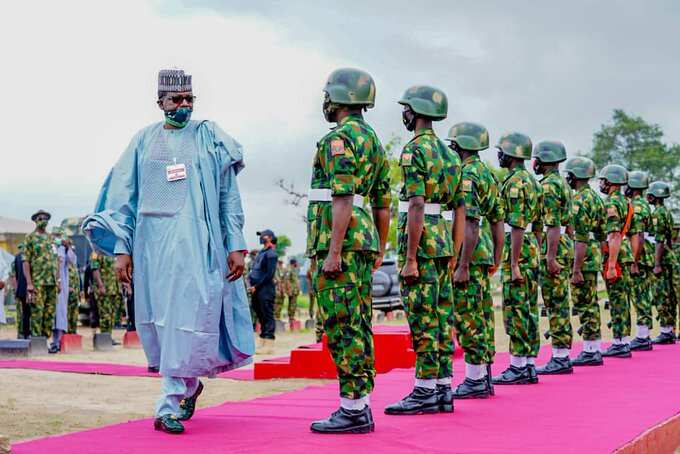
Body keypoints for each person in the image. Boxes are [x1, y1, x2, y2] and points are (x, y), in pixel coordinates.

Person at [83, 68, 253, 435]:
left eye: (189, 99)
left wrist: (236, 242)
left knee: (188, 316)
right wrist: (122, 249)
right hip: (153, 251)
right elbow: (122, 200)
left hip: (199, 247)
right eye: (176, 99)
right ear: (159, 102)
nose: (184, 105)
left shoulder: (209, 138)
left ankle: (169, 405)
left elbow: (228, 196)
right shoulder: (143, 142)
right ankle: (187, 384)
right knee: (165, 324)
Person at [307, 68, 390, 434]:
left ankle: (353, 408)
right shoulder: (374, 140)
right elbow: (383, 203)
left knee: (341, 324)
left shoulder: (338, 140)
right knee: (359, 322)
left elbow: (341, 195)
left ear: (340, 99)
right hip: (364, 241)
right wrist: (379, 248)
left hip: (339, 243)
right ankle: (361, 403)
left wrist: (334, 251)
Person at [385, 86, 463, 416]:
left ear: (415, 112)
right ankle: (444, 389)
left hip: (423, 246)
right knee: (442, 316)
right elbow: (461, 209)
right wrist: (455, 253)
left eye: (406, 108)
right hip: (444, 243)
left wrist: (411, 258)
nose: (403, 114)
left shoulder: (414, 150)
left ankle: (424, 390)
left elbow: (416, 203)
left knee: (422, 318)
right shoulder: (450, 155)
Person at [446, 122, 503, 399]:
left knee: (467, 316)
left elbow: (470, 222)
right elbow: (498, 220)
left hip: (469, 256)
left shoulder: (467, 175)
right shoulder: (489, 175)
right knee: (482, 316)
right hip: (482, 255)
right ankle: (484, 376)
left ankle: (475, 379)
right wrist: (497, 257)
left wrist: (463, 264)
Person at [492, 133, 542, 385]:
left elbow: (517, 225)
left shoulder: (514, 183)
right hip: (531, 249)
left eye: (501, 151)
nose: (498, 155)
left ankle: (519, 365)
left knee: (516, 308)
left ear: (511, 154)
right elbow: (539, 225)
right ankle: (529, 364)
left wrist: (513, 263)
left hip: (519, 249)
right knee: (529, 307)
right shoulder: (533, 181)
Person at [532, 141, 574, 374]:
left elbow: (553, 224)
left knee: (555, 303)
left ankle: (560, 357)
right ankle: (562, 354)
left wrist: (550, 257)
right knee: (559, 302)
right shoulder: (563, 185)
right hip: (563, 246)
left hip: (554, 248)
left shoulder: (548, 186)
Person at [565, 157, 606, 366]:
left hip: (584, 258)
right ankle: (594, 348)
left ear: (575, 176)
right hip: (594, 256)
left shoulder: (580, 201)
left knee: (584, 304)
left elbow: (580, 239)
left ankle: (590, 350)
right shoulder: (597, 198)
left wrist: (576, 269)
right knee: (591, 304)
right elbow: (601, 234)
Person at [599, 164, 634, 358]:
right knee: (622, 299)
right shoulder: (626, 202)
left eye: (603, 180)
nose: (601, 184)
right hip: (623, 253)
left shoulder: (611, 203)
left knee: (617, 299)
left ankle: (620, 342)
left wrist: (611, 265)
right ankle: (623, 341)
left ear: (611, 182)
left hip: (616, 255)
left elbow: (613, 235)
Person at [626, 171, 655, 351]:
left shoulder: (637, 206)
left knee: (640, 295)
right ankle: (643, 335)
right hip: (644, 255)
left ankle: (643, 336)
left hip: (641, 256)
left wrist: (634, 262)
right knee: (642, 294)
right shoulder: (644, 204)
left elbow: (638, 235)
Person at [647, 181, 677, 344]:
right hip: (668, 258)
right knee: (670, 295)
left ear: (655, 196)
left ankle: (666, 330)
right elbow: (669, 239)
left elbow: (659, 240)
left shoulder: (658, 213)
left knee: (661, 294)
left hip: (662, 260)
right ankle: (670, 329)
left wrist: (657, 264)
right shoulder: (666, 211)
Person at [23, 210, 60, 339]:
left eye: (45, 218)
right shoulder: (30, 238)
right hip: (38, 282)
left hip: (52, 282)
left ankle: (46, 340)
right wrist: (29, 283)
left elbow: (57, 259)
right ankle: (36, 339)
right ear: (35, 221)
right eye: (40, 218)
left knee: (50, 313)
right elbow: (26, 261)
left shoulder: (51, 238)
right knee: (37, 312)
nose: (43, 220)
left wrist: (59, 280)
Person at [248, 230, 279, 353]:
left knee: (267, 315)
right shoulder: (261, 253)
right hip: (256, 289)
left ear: (270, 238)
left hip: (265, 289)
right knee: (260, 314)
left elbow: (269, 274)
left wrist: (257, 285)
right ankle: (262, 340)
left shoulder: (271, 254)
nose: (261, 238)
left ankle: (269, 343)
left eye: (263, 236)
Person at [50, 228, 78, 353]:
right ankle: (48, 341)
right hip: (48, 284)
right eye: (55, 235)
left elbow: (72, 261)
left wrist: (68, 248)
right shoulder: (48, 247)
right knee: (49, 313)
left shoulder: (64, 249)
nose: (57, 238)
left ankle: (58, 341)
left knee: (60, 314)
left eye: (59, 235)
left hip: (62, 287)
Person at [91, 252, 119, 337]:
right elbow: (94, 269)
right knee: (104, 315)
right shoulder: (95, 253)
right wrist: (101, 285)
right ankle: (104, 336)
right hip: (103, 289)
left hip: (113, 288)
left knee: (112, 315)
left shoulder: (111, 252)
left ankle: (108, 336)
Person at [11, 243, 30, 338]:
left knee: (25, 313)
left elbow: (14, 276)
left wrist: (16, 290)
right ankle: (30, 334)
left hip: (22, 289)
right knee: (31, 312)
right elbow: (14, 276)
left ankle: (24, 334)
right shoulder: (30, 256)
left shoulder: (17, 257)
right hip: (31, 288)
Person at [285, 258, 300, 327]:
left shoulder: (294, 270)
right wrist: (289, 290)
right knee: (292, 304)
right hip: (292, 290)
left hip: (295, 290)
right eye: (296, 263)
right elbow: (287, 280)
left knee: (293, 304)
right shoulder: (289, 270)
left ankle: (292, 317)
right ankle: (291, 317)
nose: (297, 264)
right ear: (294, 263)